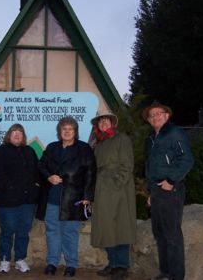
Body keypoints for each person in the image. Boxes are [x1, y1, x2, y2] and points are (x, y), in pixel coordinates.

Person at [36, 116, 96, 277]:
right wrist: (49, 176)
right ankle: (52, 263)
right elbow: (41, 166)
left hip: (74, 198)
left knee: (70, 233)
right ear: (59, 131)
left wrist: (88, 196)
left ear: (75, 132)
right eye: (64, 129)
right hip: (52, 198)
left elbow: (91, 173)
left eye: (70, 129)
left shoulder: (84, 148)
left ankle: (71, 264)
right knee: (52, 231)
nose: (67, 131)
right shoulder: (51, 147)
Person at [142, 102, 194, 280]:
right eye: (152, 115)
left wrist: (171, 181)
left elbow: (186, 159)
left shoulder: (175, 133)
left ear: (167, 115)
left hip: (170, 190)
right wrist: (150, 193)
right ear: (149, 120)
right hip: (155, 192)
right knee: (160, 234)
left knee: (172, 235)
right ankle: (165, 272)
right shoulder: (150, 140)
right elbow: (149, 168)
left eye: (159, 113)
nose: (155, 116)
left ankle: (176, 276)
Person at [90, 111, 137, 280]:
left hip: (119, 190)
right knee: (106, 226)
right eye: (100, 121)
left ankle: (122, 266)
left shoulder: (121, 139)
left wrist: (118, 183)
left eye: (106, 121)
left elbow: (127, 164)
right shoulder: (100, 143)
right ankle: (113, 263)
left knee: (121, 225)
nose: (103, 124)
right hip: (102, 189)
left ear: (112, 123)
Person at [0, 124, 41, 273]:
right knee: (7, 230)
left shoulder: (30, 151)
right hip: (7, 201)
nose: (17, 134)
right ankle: (5, 260)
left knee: (23, 231)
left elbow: (37, 172)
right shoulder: (1, 151)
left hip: (27, 202)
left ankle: (20, 259)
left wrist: (35, 188)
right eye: (14, 132)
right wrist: (8, 188)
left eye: (20, 132)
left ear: (23, 136)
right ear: (9, 135)